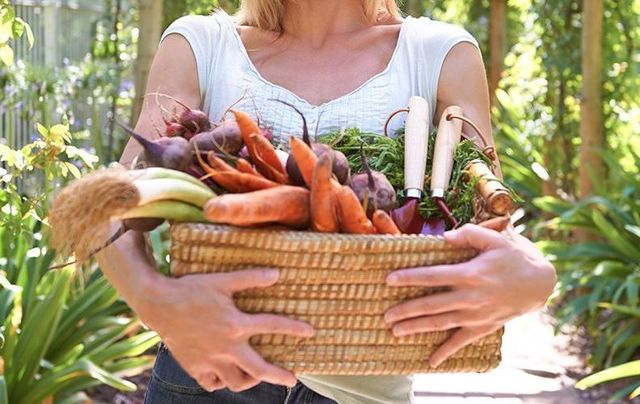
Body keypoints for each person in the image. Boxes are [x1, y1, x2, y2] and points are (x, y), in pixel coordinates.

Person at [97, 1, 557, 403]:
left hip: (367, 390)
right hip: (209, 374)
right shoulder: (201, 44)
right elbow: (107, 209)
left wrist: (536, 279)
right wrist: (157, 302)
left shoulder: (440, 53)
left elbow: (491, 217)